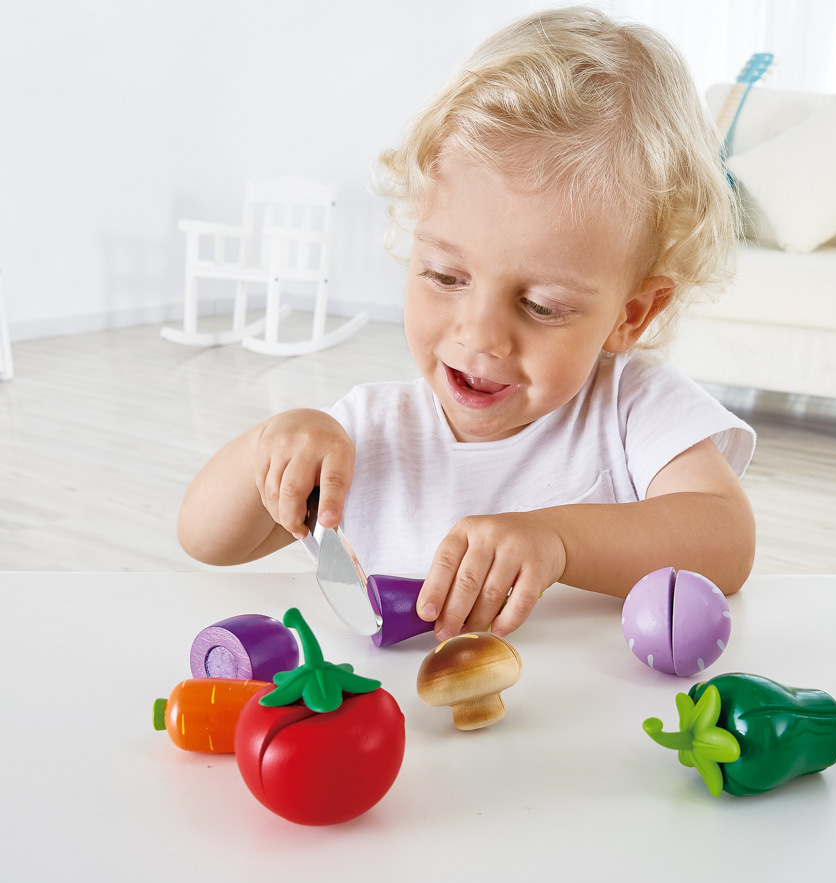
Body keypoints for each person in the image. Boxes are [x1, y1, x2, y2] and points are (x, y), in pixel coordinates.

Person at [177, 5, 756, 643]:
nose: (480, 336)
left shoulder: (630, 408)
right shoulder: (367, 434)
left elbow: (726, 540)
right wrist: (270, 447)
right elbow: (205, 540)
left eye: (542, 305)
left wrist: (558, 540)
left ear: (632, 314)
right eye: (445, 277)